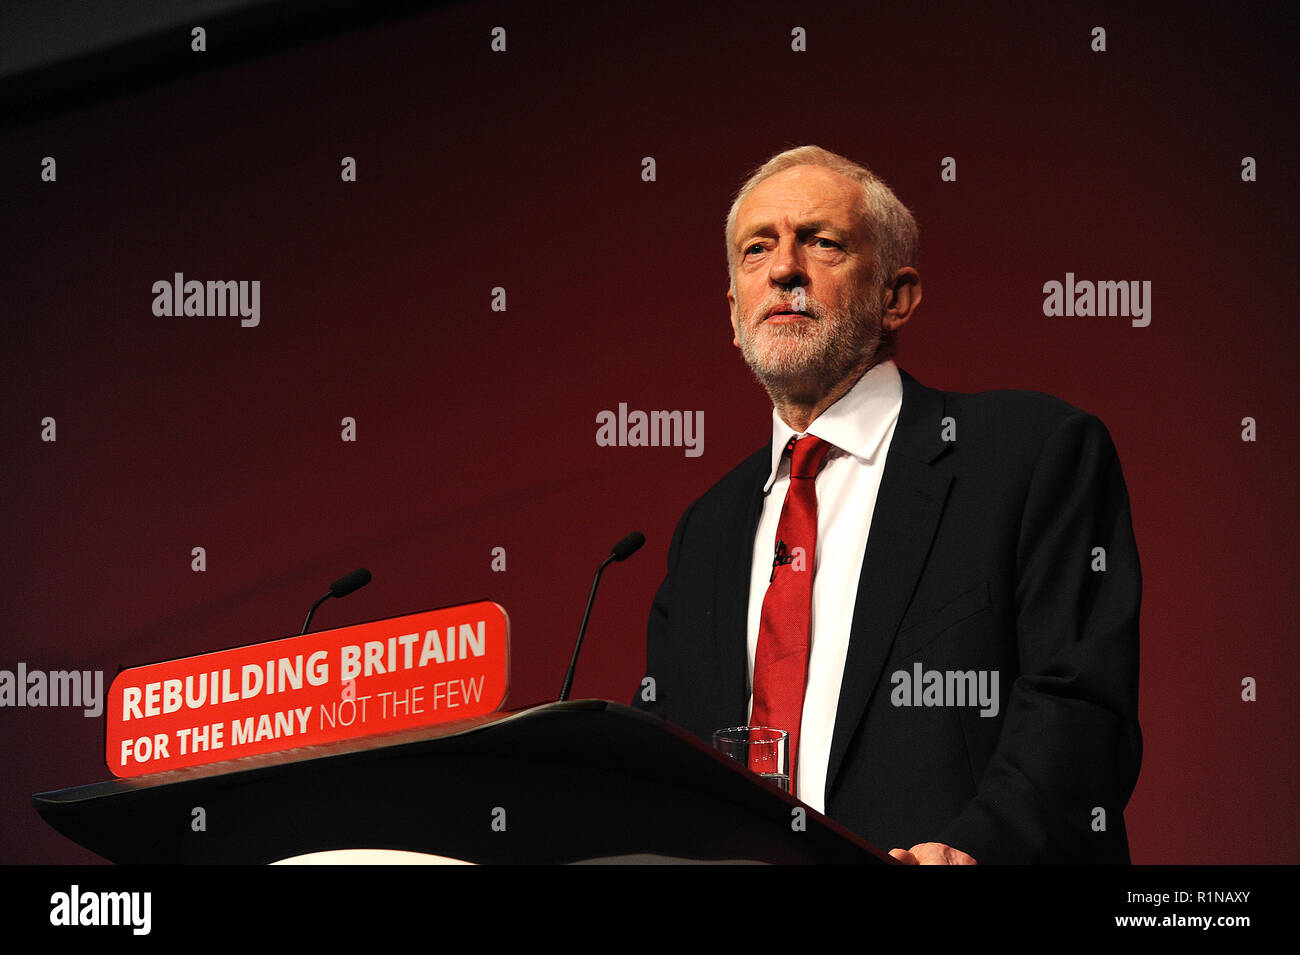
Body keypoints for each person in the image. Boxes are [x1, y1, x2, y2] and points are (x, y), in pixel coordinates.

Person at [634, 145, 1142, 864]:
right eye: (757, 248)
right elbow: (662, 762)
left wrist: (973, 852)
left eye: (821, 241)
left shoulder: (1029, 454)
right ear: (734, 313)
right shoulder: (705, 532)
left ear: (896, 296)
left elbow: (1082, 709)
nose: (784, 268)